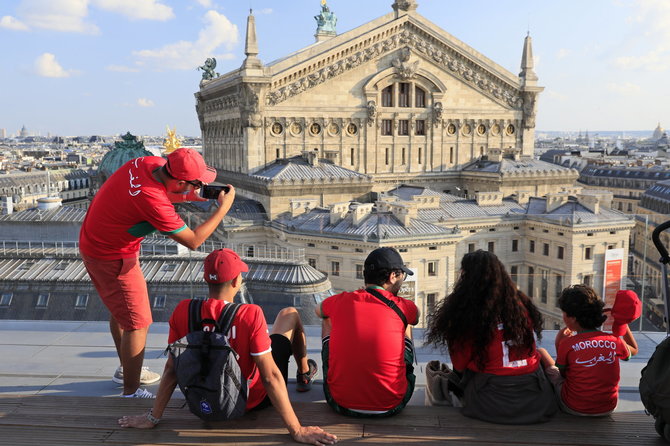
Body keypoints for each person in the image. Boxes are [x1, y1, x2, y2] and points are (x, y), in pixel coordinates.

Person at [118, 249, 337, 446]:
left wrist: (152, 417)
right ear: (236, 282)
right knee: (289, 314)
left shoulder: (183, 310)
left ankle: (302, 370)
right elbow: (270, 376)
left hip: (203, 403)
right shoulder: (249, 314)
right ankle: (304, 372)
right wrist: (297, 430)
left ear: (206, 279)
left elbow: (171, 369)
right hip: (251, 402)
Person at [79, 148, 235, 398]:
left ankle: (127, 369)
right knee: (137, 322)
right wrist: (222, 209)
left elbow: (166, 191)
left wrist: (195, 195)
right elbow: (193, 240)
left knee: (123, 313)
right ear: (182, 181)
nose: (201, 185)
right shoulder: (153, 200)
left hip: (97, 241)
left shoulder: (147, 163)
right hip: (111, 254)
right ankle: (131, 392)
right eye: (197, 182)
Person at [425, 250, 557, 424]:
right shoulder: (521, 306)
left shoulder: (466, 315)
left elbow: (459, 365)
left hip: (489, 404)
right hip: (535, 402)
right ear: (500, 274)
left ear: (466, 277)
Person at [315, 247, 418, 417]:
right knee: (406, 322)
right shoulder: (403, 306)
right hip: (391, 405)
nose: (402, 280)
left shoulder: (342, 300)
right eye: (402, 276)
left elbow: (318, 311)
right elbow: (417, 316)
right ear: (393, 277)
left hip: (339, 403)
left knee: (327, 318)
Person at [538, 285, 639, 416]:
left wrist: (559, 341)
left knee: (541, 353)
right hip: (607, 408)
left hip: (573, 407)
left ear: (573, 317)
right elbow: (634, 350)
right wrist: (621, 321)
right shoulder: (614, 341)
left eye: (564, 313)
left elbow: (563, 375)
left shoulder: (568, 343)